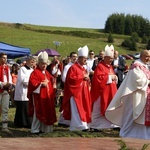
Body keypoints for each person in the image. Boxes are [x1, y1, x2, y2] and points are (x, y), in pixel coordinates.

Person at [105, 50, 150, 139]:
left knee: (143, 114)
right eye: (146, 56)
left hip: (143, 93)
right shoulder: (136, 65)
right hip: (134, 94)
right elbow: (137, 81)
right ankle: (127, 132)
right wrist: (148, 81)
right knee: (131, 114)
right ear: (141, 56)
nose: (148, 58)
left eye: (149, 57)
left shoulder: (144, 66)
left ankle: (142, 134)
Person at [62, 45, 92, 131]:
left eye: (86, 58)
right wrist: (82, 77)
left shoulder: (84, 68)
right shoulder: (73, 68)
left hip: (84, 92)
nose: (85, 60)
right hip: (75, 92)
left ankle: (84, 124)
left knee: (84, 108)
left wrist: (88, 79)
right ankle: (77, 126)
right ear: (79, 58)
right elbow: (70, 79)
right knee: (77, 109)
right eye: (83, 58)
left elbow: (86, 78)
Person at [90, 45, 118, 131]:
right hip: (101, 92)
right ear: (105, 57)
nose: (111, 60)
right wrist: (110, 77)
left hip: (110, 91)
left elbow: (112, 76)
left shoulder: (109, 67)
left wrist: (115, 78)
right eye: (110, 58)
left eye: (112, 59)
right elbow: (99, 78)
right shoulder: (100, 66)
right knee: (98, 109)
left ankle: (111, 125)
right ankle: (94, 125)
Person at [28, 51, 57, 134]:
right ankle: (35, 129)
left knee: (46, 111)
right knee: (37, 112)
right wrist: (40, 84)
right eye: (42, 64)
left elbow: (52, 79)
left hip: (46, 97)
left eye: (45, 64)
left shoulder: (47, 73)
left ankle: (44, 129)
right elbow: (32, 83)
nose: (44, 66)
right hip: (38, 96)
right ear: (39, 64)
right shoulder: (35, 72)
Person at [14, 56, 36, 128]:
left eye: (33, 61)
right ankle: (21, 123)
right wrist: (32, 83)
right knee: (23, 108)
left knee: (28, 108)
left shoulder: (32, 70)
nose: (32, 62)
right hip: (22, 91)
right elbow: (23, 80)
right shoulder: (22, 69)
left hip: (29, 90)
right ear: (27, 61)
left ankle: (28, 122)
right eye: (31, 61)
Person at [58, 52, 78, 127]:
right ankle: (63, 121)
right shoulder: (67, 67)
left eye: (76, 56)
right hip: (69, 88)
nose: (75, 58)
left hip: (76, 89)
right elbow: (64, 78)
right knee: (67, 104)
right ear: (70, 57)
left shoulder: (78, 66)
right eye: (73, 56)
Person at [0, 52, 14, 134]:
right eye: (3, 58)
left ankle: (5, 127)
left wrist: (10, 84)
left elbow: (10, 78)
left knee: (5, 108)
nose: (5, 59)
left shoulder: (7, 68)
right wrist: (1, 83)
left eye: (6, 58)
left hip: (5, 90)